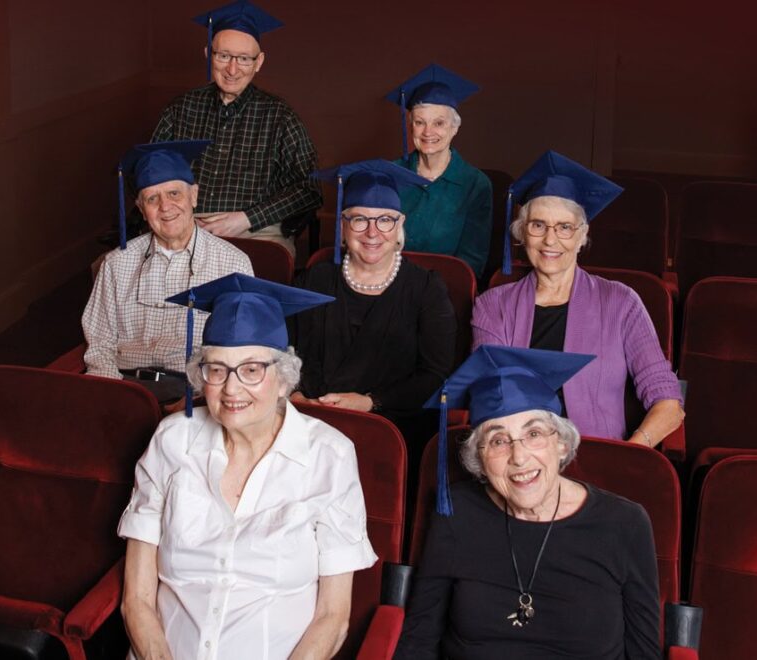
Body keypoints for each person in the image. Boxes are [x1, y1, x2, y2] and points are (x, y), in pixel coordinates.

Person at [119, 273, 377, 660]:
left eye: (252, 369)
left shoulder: (330, 456)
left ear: (283, 378)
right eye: (217, 369)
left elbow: (332, 616)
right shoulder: (170, 441)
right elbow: (136, 599)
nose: (232, 389)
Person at [394, 346, 661, 659]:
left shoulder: (624, 524)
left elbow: (644, 654)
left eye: (533, 433)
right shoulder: (456, 513)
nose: (518, 457)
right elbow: (419, 639)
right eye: (497, 440)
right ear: (478, 458)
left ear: (561, 444)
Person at [471, 151, 684, 445]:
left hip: (597, 460)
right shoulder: (493, 306)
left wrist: (631, 451)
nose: (550, 239)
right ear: (522, 233)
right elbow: (489, 396)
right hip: (518, 458)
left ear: (582, 235)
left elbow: (669, 403)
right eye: (538, 225)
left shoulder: (621, 303)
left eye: (564, 227)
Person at [291, 160, 456, 450]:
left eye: (384, 220)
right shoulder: (313, 279)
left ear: (400, 225)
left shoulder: (426, 288)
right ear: (342, 226)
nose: (372, 232)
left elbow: (435, 374)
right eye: (359, 219)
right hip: (310, 421)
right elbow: (283, 351)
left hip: (390, 428)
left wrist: (370, 402)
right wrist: (293, 394)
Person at [82, 141, 253, 404]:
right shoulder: (116, 263)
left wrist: (200, 399)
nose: (165, 207)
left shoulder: (233, 265)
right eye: (152, 198)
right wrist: (114, 396)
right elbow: (100, 343)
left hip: (195, 393)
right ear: (141, 209)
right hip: (126, 386)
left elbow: (240, 352)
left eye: (174, 194)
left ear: (194, 196)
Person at [149, 1, 322, 255]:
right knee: (118, 269)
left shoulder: (280, 116)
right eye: (224, 56)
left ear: (258, 62)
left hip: (258, 232)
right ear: (209, 54)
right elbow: (149, 171)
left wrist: (246, 219)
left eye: (243, 58)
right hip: (183, 227)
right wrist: (177, 217)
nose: (232, 69)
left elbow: (310, 191)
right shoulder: (181, 108)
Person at [385, 63, 493, 278]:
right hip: (389, 283)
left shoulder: (475, 184)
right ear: (410, 126)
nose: (428, 132)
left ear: (454, 128)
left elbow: (471, 261)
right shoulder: (389, 175)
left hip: (445, 291)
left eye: (439, 123)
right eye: (419, 122)